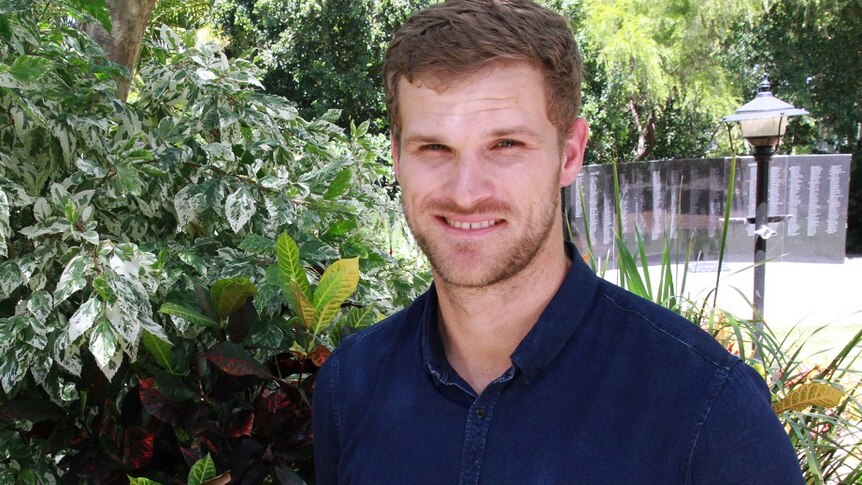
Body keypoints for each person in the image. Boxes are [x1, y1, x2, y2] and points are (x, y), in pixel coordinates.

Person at [313, 1, 804, 483]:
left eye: (505, 145)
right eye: (434, 147)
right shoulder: (351, 385)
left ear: (569, 153)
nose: (465, 192)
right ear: (397, 157)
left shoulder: (707, 409)